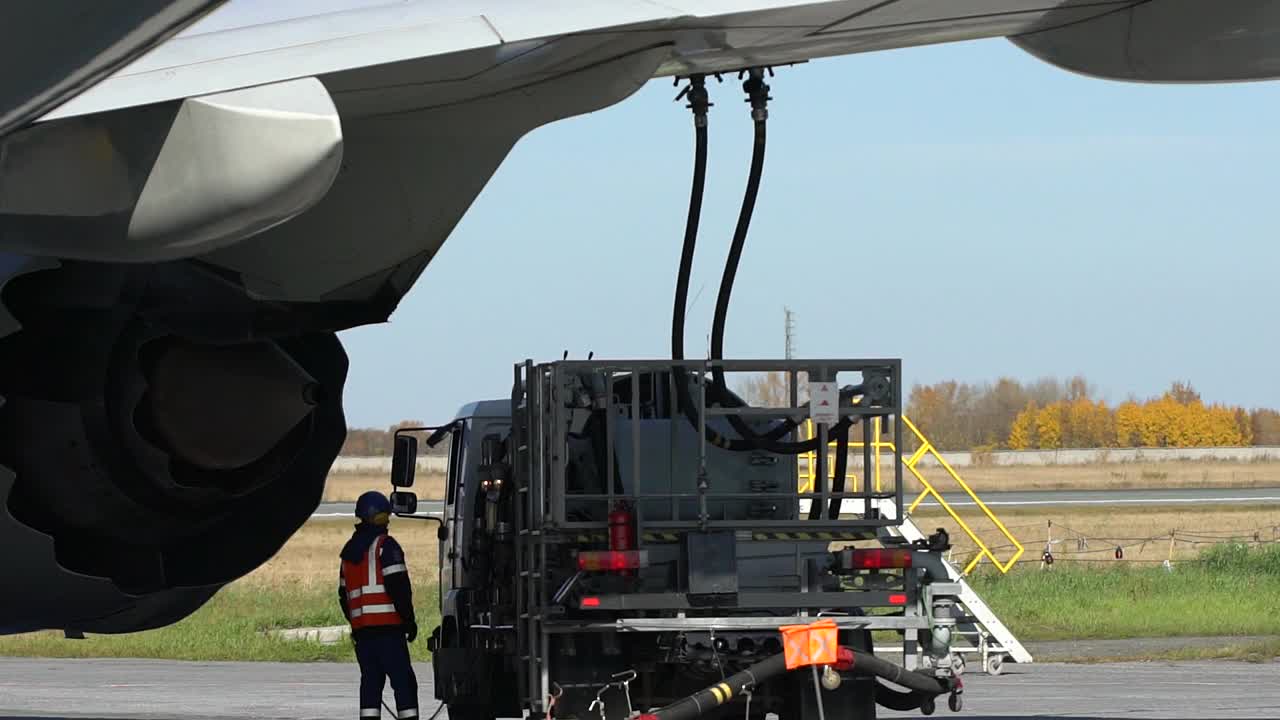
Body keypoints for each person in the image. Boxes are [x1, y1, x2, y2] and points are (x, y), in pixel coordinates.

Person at [339, 491, 419, 719]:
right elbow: (399, 588)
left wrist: (357, 623)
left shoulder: (349, 553)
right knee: (404, 684)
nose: (387, 522)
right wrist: (409, 621)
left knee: (371, 687)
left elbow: (344, 597)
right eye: (384, 518)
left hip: (363, 635)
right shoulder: (385, 547)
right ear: (374, 519)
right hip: (389, 632)